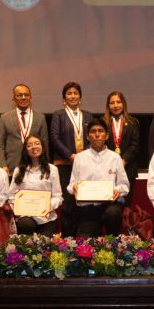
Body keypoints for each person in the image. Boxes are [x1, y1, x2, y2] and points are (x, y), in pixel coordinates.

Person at [68, 118, 129, 238]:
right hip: (87, 208)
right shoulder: (80, 158)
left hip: (110, 206)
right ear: (87, 136)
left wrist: (117, 190)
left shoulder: (115, 157)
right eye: (93, 131)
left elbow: (124, 186)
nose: (97, 134)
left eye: (100, 131)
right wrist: (74, 187)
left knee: (113, 214)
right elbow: (71, 185)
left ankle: (114, 242)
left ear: (106, 136)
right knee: (84, 245)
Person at [50, 81, 93, 236]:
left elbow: (93, 137)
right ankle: (68, 238)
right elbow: (54, 138)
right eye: (69, 93)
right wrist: (70, 155)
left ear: (80, 97)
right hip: (64, 164)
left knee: (82, 199)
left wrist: (83, 157)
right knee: (68, 202)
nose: (73, 96)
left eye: (75, 93)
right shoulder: (58, 115)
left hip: (84, 165)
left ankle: (82, 237)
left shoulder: (88, 115)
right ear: (64, 98)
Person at [8, 135, 62, 236]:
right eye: (29, 145)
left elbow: (58, 197)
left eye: (37, 144)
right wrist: (17, 208)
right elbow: (11, 196)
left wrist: (47, 206)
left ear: (43, 147)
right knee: (26, 225)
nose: (34, 147)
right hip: (26, 217)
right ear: (25, 150)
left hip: (47, 218)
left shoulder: (52, 169)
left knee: (46, 248)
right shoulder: (19, 170)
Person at [0, 83, 49, 175]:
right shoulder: (5, 118)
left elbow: (45, 144)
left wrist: (45, 165)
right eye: (19, 95)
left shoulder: (40, 118)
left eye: (26, 95)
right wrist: (2, 165)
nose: (23, 97)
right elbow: (0, 145)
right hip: (11, 167)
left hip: (36, 167)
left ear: (30, 98)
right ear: (13, 99)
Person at [103, 91, 140, 201]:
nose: (115, 105)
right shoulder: (102, 122)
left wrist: (123, 160)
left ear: (123, 103)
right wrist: (113, 162)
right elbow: (101, 144)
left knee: (127, 205)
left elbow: (135, 145)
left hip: (128, 168)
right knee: (108, 203)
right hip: (107, 168)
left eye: (118, 102)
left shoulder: (134, 122)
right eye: (112, 103)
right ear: (108, 106)